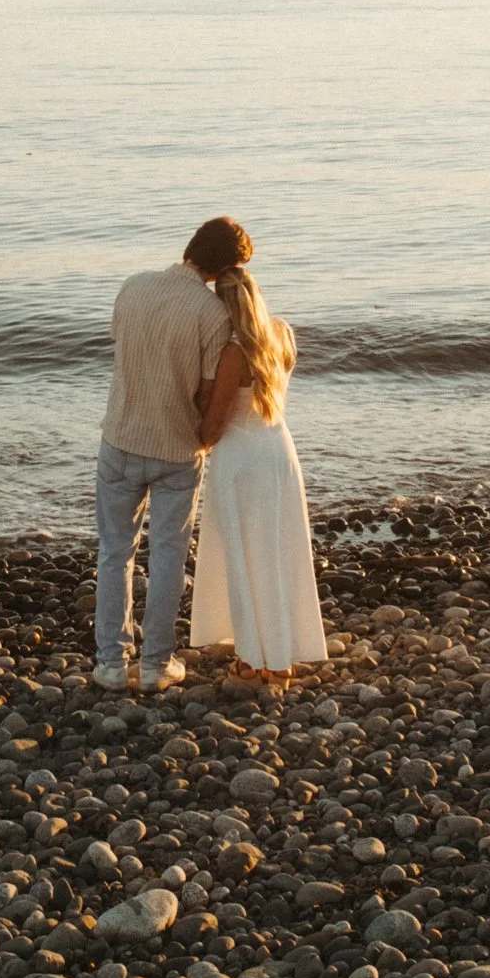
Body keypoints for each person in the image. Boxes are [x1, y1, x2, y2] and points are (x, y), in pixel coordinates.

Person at [94, 216, 251, 692]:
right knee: (167, 557)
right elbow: (206, 395)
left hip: (120, 439)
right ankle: (157, 664)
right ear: (224, 269)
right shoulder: (212, 315)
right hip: (177, 450)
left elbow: (123, 352)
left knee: (114, 554)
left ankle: (111, 664)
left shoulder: (132, 287)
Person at [189, 264, 327, 684]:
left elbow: (213, 427)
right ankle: (280, 652)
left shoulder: (233, 352)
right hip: (278, 450)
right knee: (279, 553)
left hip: (241, 460)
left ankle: (254, 658)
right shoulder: (282, 333)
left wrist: (188, 435)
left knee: (245, 555)